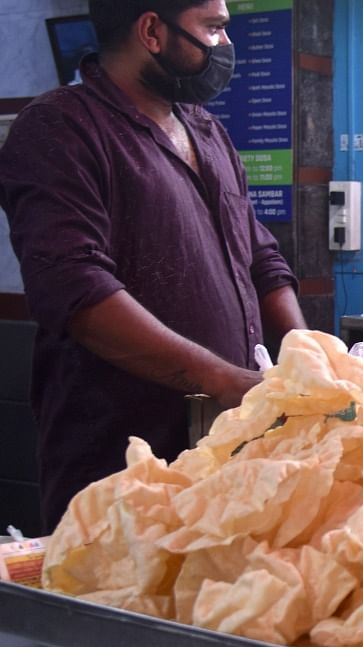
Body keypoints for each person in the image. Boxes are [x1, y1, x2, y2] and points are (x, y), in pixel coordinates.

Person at [0, 0, 306, 533]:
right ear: (152, 31)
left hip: (219, 453)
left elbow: (261, 258)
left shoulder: (208, 131)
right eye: (212, 28)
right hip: (117, 468)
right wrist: (220, 379)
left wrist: (312, 358)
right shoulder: (58, 129)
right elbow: (77, 290)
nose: (224, 47)